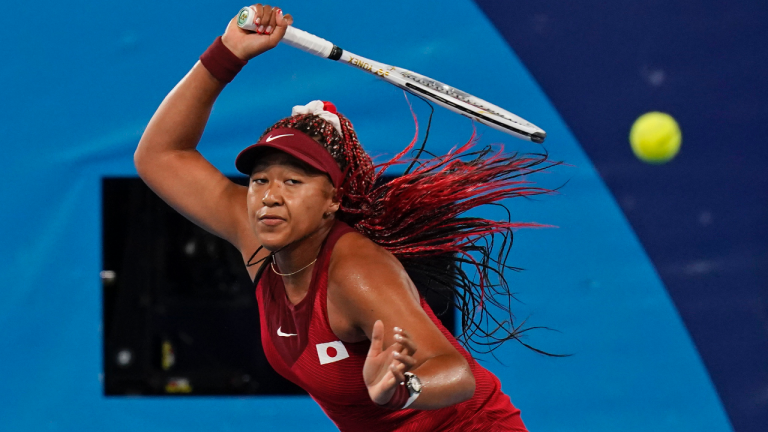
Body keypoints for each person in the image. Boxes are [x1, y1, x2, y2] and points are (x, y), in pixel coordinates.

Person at [135, 4, 554, 431]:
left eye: (293, 183)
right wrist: (228, 52)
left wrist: (403, 388)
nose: (270, 197)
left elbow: (455, 373)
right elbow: (159, 156)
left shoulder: (356, 270)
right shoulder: (257, 235)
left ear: (332, 201)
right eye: (261, 181)